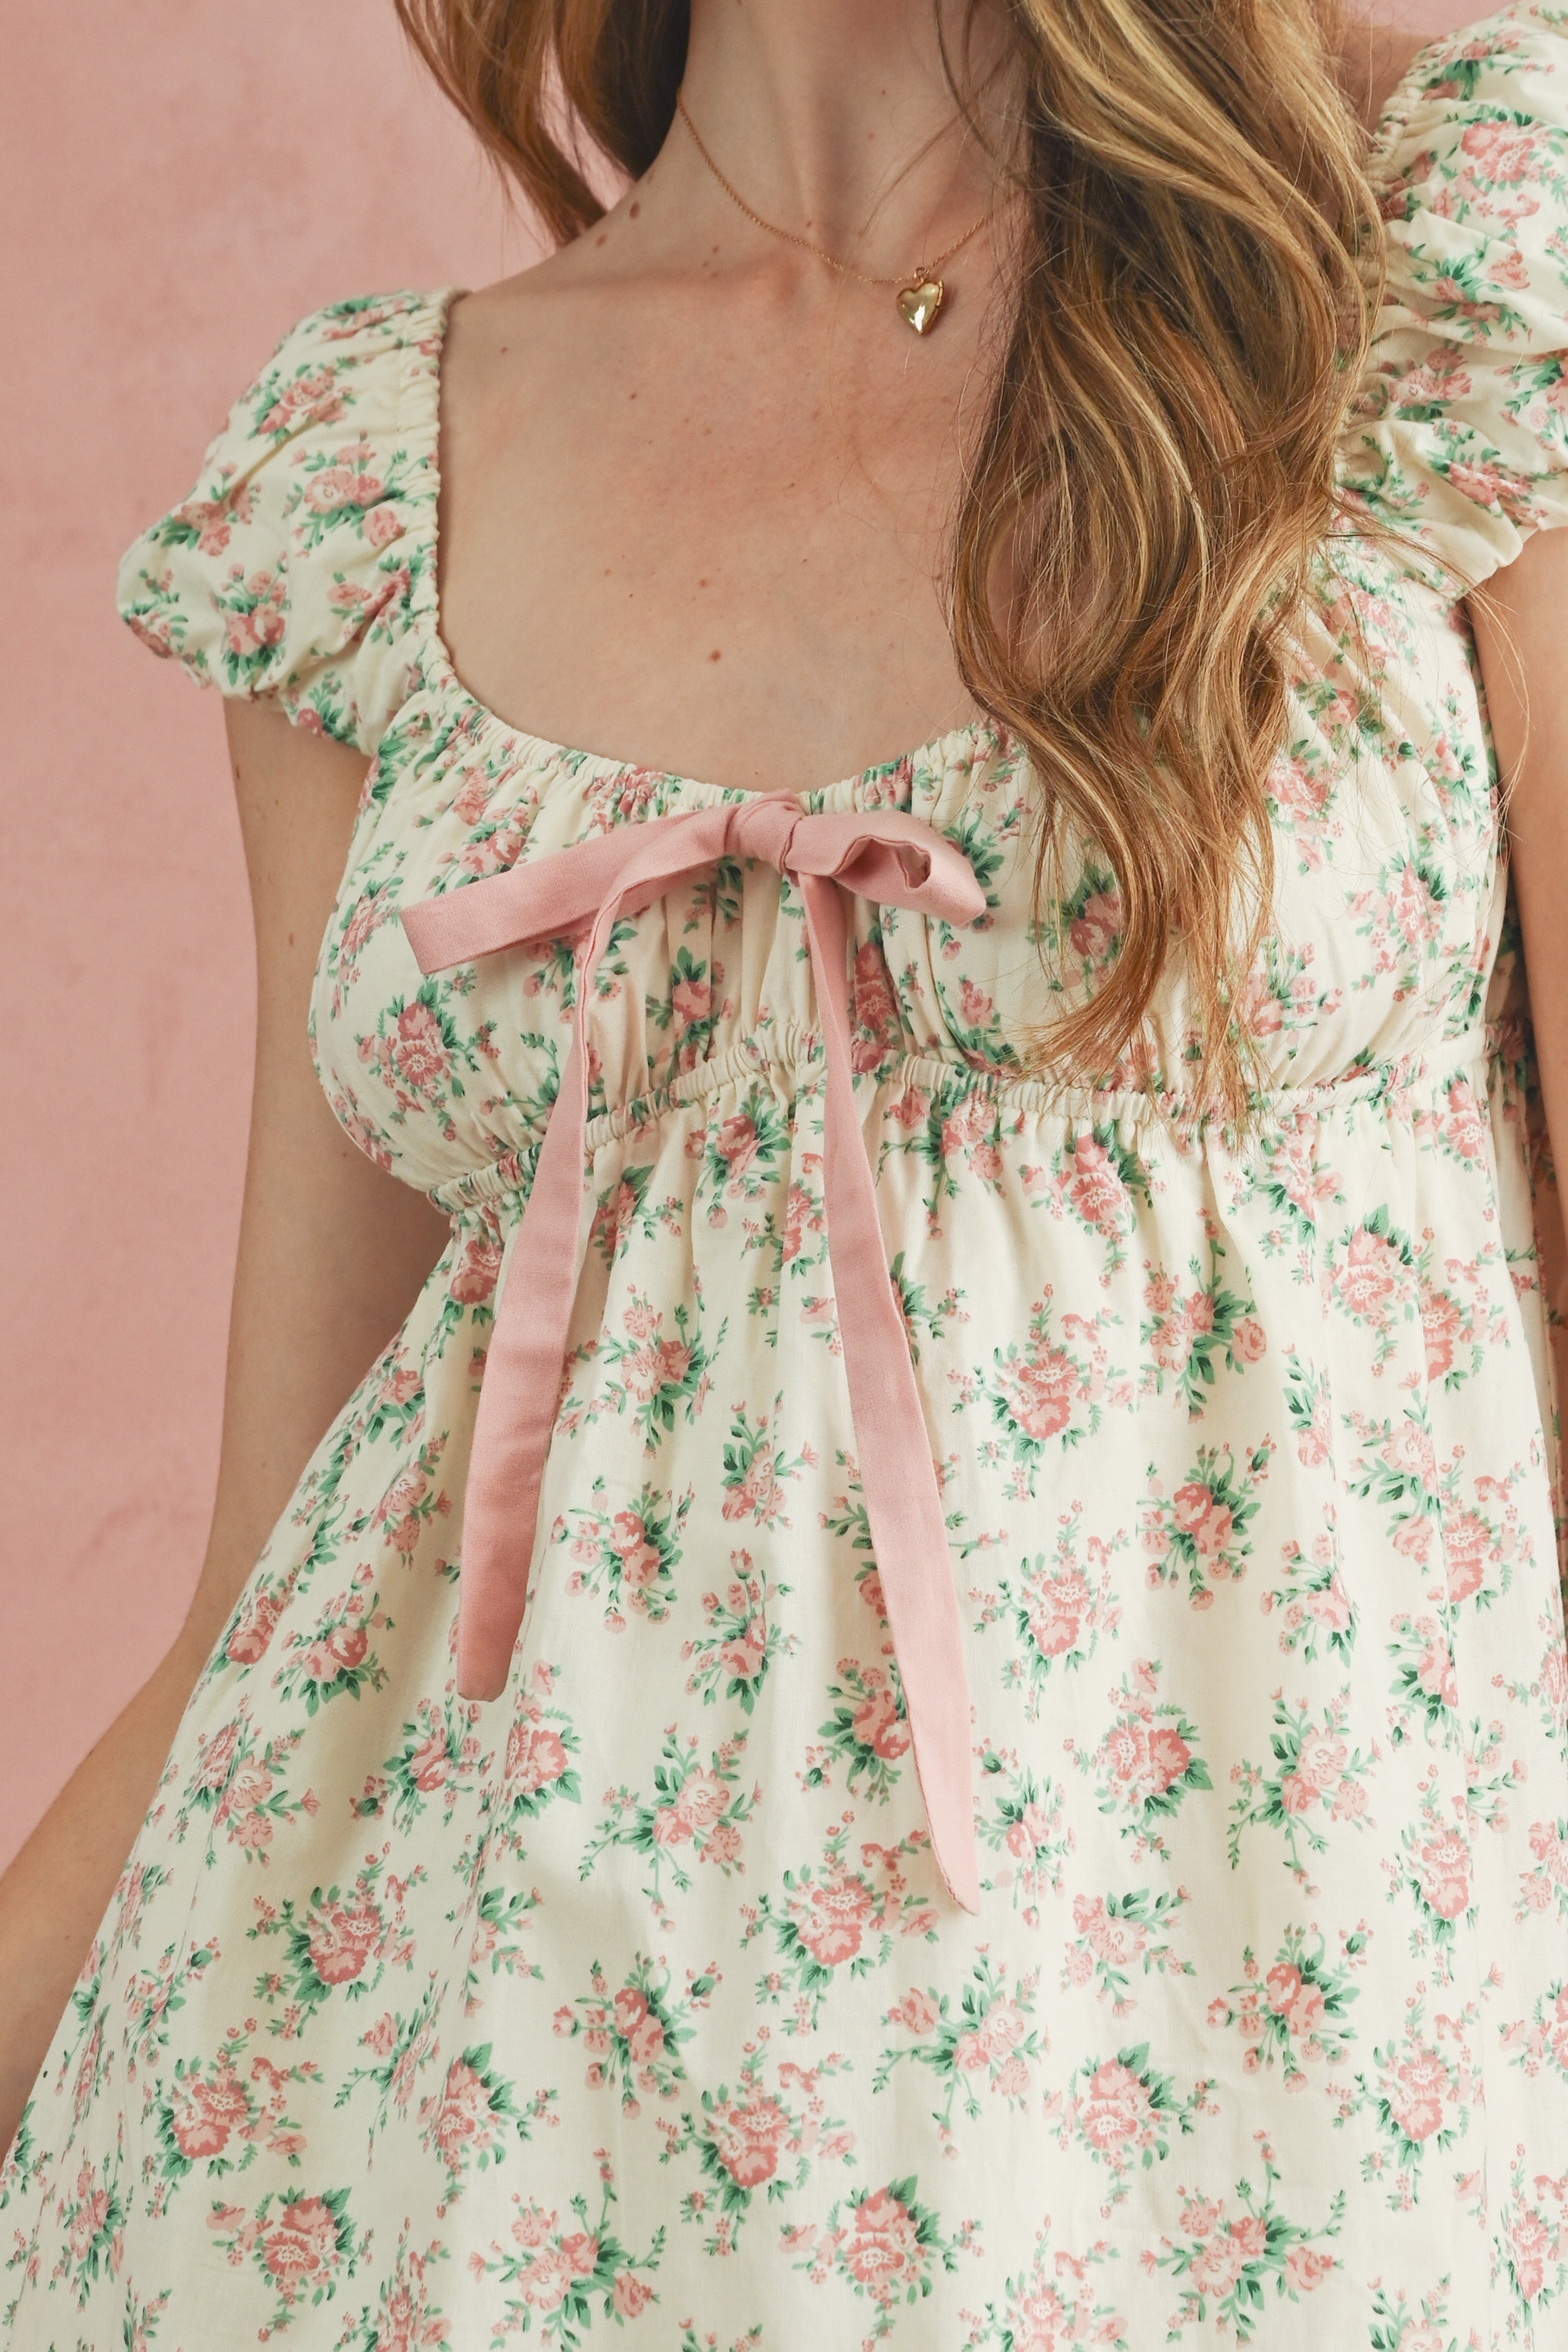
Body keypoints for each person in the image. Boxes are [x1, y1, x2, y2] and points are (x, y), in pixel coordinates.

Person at [6, 0, 1568, 2340]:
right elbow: (282, 1575)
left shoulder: (1439, 263)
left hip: (1292, 2173)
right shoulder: (361, 482)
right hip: (451, 2199)